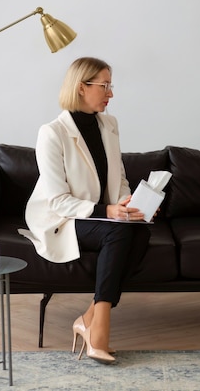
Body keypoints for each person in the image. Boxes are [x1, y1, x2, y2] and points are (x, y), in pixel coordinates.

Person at [19, 57, 150, 364]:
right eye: (104, 86)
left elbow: (118, 178)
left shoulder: (110, 125)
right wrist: (108, 210)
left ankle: (88, 318)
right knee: (118, 233)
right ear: (81, 87)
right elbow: (58, 200)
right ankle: (99, 330)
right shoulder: (52, 133)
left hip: (100, 214)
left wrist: (128, 204)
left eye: (110, 85)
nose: (111, 94)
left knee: (140, 232)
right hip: (61, 218)